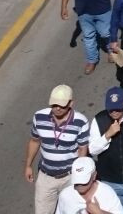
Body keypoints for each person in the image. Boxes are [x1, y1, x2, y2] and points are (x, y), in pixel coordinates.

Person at [25, 84, 91, 214]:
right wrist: (28, 165)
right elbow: (34, 141)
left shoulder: (80, 121)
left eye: (62, 105)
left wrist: (80, 176)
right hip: (46, 177)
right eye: (54, 104)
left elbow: (82, 150)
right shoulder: (39, 117)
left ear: (71, 103)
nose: (57, 108)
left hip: (70, 176)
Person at [56, 156, 123, 214]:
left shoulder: (107, 193)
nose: (80, 184)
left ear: (94, 175)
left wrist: (99, 212)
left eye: (84, 180)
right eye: (77, 179)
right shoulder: (65, 195)